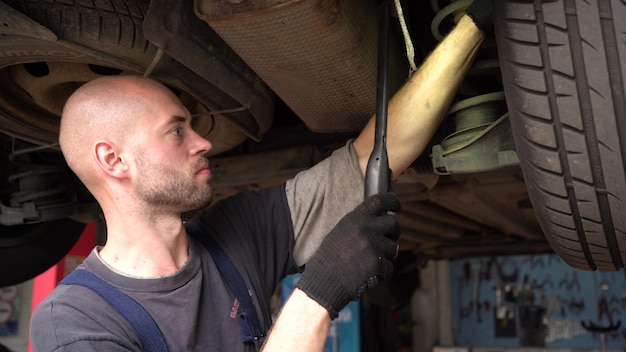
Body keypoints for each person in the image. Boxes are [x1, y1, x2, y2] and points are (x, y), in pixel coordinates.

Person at [29, 2, 492, 351]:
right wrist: (318, 295)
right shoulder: (77, 320)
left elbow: (373, 154)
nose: (203, 141)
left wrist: (473, 25)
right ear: (113, 161)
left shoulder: (238, 234)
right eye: (176, 131)